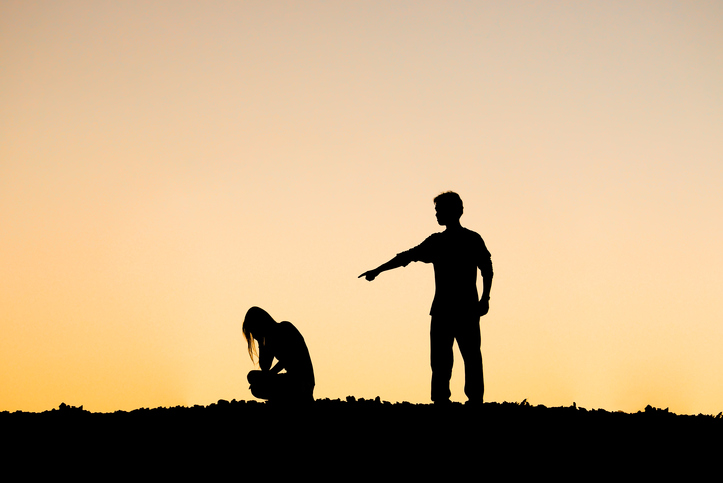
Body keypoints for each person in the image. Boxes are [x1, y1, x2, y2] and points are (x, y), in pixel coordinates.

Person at [359, 192, 493, 405]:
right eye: (436, 211)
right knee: (447, 359)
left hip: (460, 310)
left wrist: (485, 298)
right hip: (449, 310)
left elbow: (487, 268)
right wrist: (378, 269)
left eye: (439, 210)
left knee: (466, 357)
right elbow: (406, 257)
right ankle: (447, 400)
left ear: (454, 211)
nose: (437, 215)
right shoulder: (444, 241)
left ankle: (467, 400)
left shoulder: (466, 240)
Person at [242, 306, 315, 403]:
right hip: (291, 379)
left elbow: (288, 359)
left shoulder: (285, 328)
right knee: (252, 376)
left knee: (257, 386)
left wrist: (268, 376)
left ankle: (290, 399)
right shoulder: (269, 340)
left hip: (302, 381)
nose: (253, 335)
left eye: (253, 331)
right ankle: (284, 399)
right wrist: (261, 342)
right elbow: (265, 367)